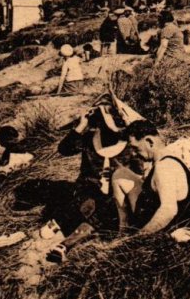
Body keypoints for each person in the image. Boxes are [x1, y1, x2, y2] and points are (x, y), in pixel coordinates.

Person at [47, 102, 129, 263]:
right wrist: (80, 127)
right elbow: (64, 149)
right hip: (88, 189)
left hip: (115, 194)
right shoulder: (90, 140)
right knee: (91, 206)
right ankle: (66, 244)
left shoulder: (130, 145)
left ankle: (66, 237)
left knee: (106, 208)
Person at [112, 120, 190, 234]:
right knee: (120, 173)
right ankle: (123, 230)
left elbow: (168, 210)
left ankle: (125, 233)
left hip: (164, 231)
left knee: (119, 175)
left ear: (149, 142)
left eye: (135, 148)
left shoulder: (163, 167)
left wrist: (139, 237)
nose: (133, 153)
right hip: (179, 221)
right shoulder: (172, 159)